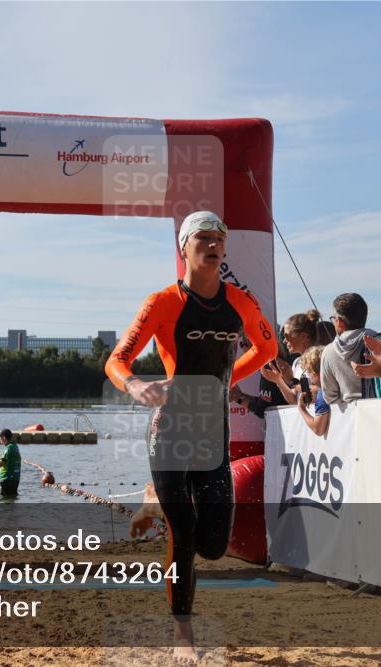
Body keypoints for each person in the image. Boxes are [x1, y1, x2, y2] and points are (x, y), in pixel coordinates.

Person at [105, 210, 276, 665]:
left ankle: (156, 503)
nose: (214, 244)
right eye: (203, 238)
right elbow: (116, 360)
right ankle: (184, 632)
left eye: (220, 237)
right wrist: (135, 385)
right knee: (183, 535)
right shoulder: (162, 302)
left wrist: (224, 380)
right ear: (184, 247)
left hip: (212, 430)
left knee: (214, 546)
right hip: (170, 430)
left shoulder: (240, 301)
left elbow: (268, 348)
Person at [319, 293, 381, 404]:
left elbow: (330, 397)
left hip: (353, 412)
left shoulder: (329, 352)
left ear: (339, 322)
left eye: (333, 318)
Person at [294, 345, 330, 436]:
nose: (309, 377)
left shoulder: (323, 390)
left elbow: (318, 429)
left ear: (314, 372)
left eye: (308, 372)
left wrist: (301, 408)